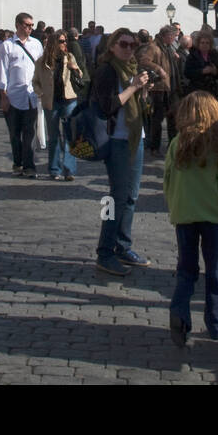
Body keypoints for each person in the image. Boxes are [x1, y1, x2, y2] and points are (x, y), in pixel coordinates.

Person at [164, 90, 218, 346]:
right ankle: (217, 324)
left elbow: (167, 179)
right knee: (214, 269)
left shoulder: (177, 143)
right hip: (212, 216)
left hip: (184, 214)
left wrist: (174, 204)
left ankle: (179, 313)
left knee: (186, 269)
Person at [91, 27, 154, 276]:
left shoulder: (132, 69)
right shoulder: (107, 70)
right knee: (115, 197)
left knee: (132, 196)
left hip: (135, 137)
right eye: (124, 44)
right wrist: (134, 87)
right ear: (112, 46)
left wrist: (143, 90)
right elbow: (108, 105)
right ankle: (104, 251)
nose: (129, 49)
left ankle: (122, 245)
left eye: (132, 45)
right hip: (115, 140)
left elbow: (138, 104)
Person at [0, 13, 43, 177]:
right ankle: (18, 162)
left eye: (32, 25)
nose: (30, 28)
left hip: (31, 95)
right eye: (27, 25)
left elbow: (41, 69)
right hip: (13, 96)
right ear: (18, 25)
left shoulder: (37, 44)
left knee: (30, 133)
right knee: (15, 134)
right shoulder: (7, 46)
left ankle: (29, 166)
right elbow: (2, 72)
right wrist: (3, 96)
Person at [34, 30, 80, 181]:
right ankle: (54, 169)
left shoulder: (70, 57)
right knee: (53, 137)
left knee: (69, 136)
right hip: (51, 101)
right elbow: (35, 82)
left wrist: (75, 69)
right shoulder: (42, 61)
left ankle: (69, 170)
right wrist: (41, 93)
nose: (65, 43)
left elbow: (80, 75)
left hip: (69, 100)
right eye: (61, 41)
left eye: (65, 40)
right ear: (54, 43)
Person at [138, 25, 180, 159]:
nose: (173, 39)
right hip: (159, 88)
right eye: (172, 37)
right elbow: (144, 61)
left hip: (170, 87)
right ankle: (154, 147)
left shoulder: (168, 47)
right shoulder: (154, 46)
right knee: (157, 118)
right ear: (166, 36)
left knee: (173, 118)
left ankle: (172, 145)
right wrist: (158, 69)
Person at [184, 31, 218, 99]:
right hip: (197, 90)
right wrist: (202, 71)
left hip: (211, 90)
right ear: (198, 44)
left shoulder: (214, 55)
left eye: (207, 43)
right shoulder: (192, 56)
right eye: (202, 42)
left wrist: (215, 71)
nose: (205, 45)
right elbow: (187, 73)